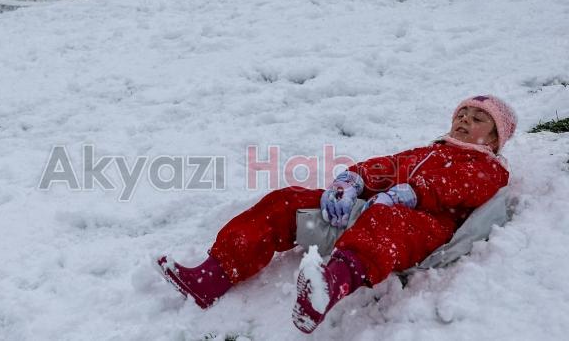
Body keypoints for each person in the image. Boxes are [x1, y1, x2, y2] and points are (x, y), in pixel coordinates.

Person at [157, 95, 516, 334]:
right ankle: (214, 274)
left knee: (385, 221)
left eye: (478, 119)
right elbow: (385, 166)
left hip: (421, 228)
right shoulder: (426, 151)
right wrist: (352, 181)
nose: (464, 120)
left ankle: (329, 287)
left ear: (494, 139)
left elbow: (462, 186)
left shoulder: (489, 166)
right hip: (374, 213)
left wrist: (412, 193)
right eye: (461, 114)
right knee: (289, 200)